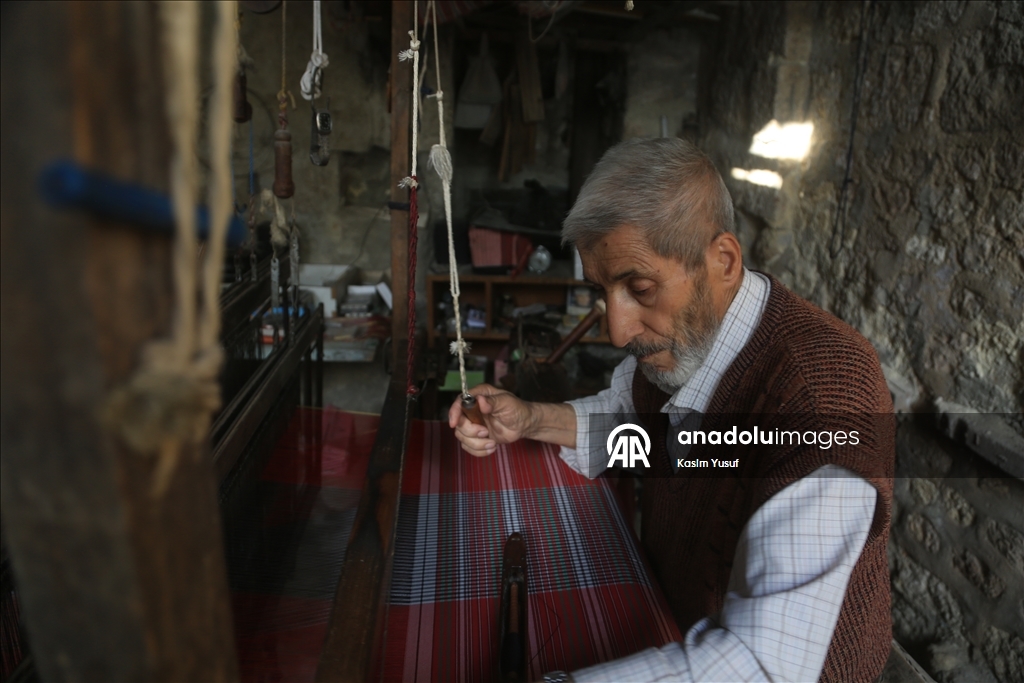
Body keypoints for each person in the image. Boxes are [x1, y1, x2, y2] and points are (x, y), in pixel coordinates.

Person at [449, 138, 895, 682]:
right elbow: (638, 427)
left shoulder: (823, 402)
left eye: (640, 288)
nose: (618, 330)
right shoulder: (683, 347)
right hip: (671, 622)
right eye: (603, 291)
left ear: (723, 261)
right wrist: (530, 418)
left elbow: (762, 665)